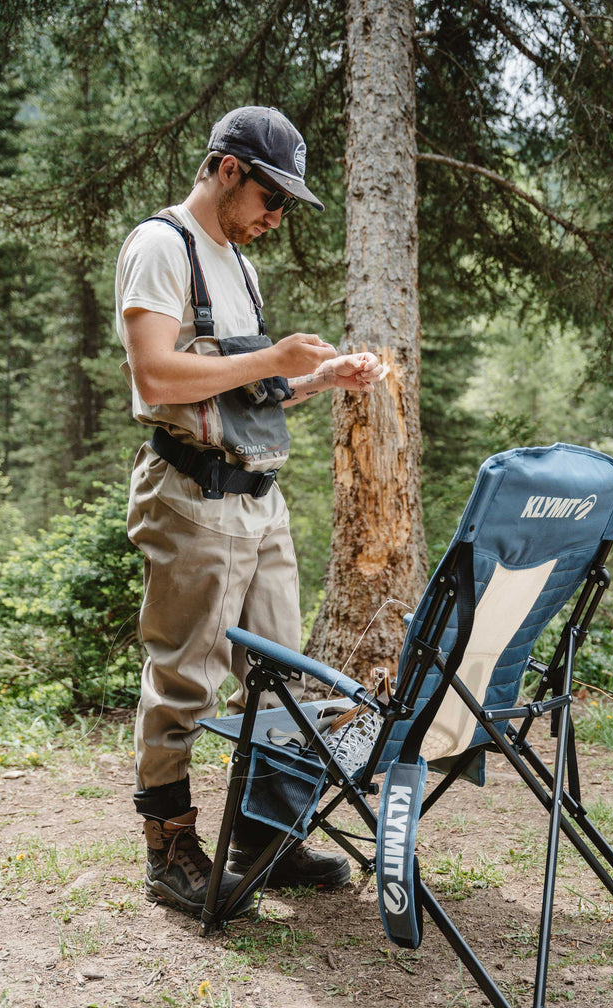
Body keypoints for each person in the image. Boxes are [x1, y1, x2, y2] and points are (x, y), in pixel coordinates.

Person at [115, 106, 383, 916]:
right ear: (228, 169)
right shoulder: (163, 246)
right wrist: (271, 356)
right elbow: (158, 378)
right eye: (271, 196)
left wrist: (319, 381)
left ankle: (264, 834)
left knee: (282, 677)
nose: (276, 216)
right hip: (193, 497)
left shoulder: (241, 264)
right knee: (183, 678)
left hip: (261, 502)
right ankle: (169, 849)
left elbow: (243, 392)